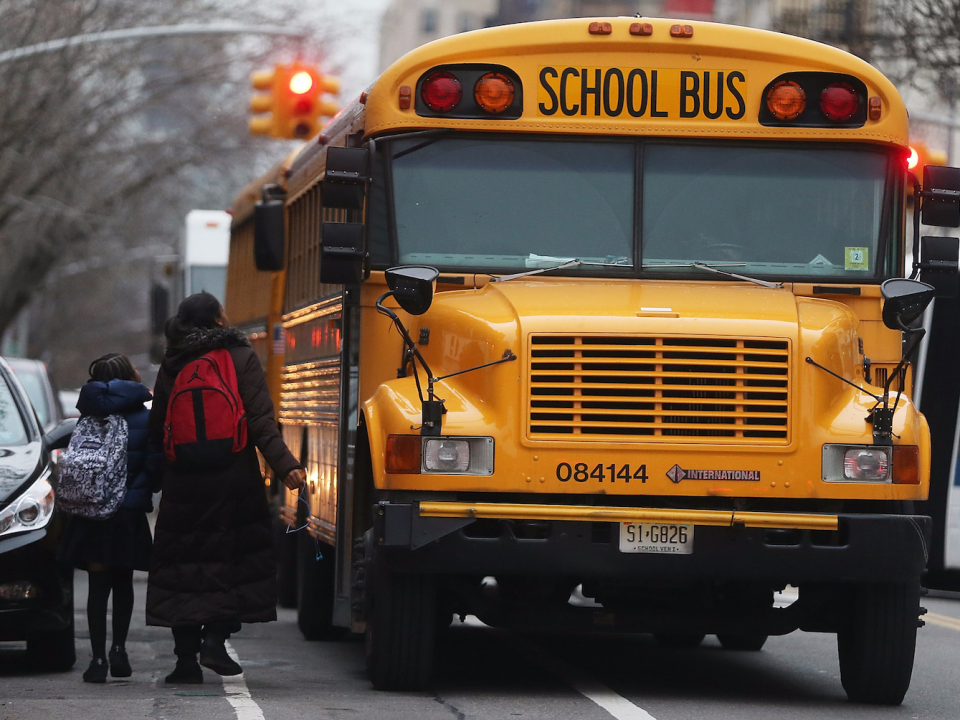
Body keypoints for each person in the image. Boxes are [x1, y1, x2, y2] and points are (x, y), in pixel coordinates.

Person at [146, 291, 306, 684]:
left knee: (184, 566)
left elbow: (158, 427)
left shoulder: (173, 360)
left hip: (183, 481)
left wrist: (152, 479)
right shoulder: (239, 356)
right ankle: (215, 641)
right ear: (218, 320)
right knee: (230, 560)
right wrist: (285, 465)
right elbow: (260, 420)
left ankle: (185, 661)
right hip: (233, 478)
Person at [57, 353, 158, 683]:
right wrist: (142, 491)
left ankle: (97, 659)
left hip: (91, 513)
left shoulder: (87, 416)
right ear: (130, 377)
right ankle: (119, 651)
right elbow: (154, 465)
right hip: (126, 514)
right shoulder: (143, 417)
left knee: (97, 587)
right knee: (123, 583)